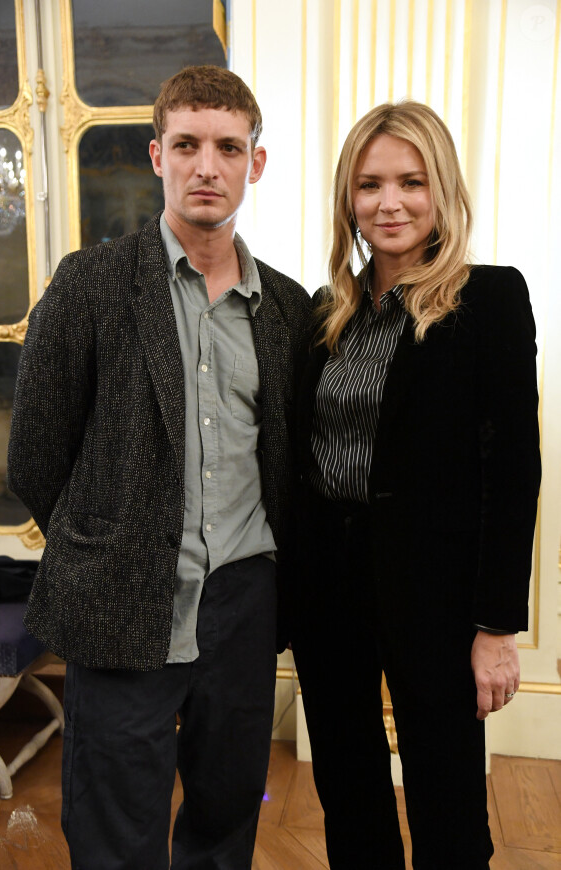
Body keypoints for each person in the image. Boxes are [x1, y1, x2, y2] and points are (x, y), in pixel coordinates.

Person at [7, 65, 310, 870]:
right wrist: (109, 540)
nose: (207, 165)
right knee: (115, 827)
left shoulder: (288, 308)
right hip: (124, 598)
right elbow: (34, 457)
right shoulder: (91, 286)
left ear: (256, 162)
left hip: (243, 605)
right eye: (187, 145)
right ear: (156, 156)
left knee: (226, 812)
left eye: (227, 147)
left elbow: (288, 462)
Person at [289, 100, 541, 870]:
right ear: (348, 199)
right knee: (346, 776)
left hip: (435, 590)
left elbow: (516, 470)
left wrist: (497, 626)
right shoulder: (325, 313)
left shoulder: (489, 299)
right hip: (327, 584)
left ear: (443, 192)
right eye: (369, 185)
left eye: (411, 181)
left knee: (445, 784)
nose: (389, 202)